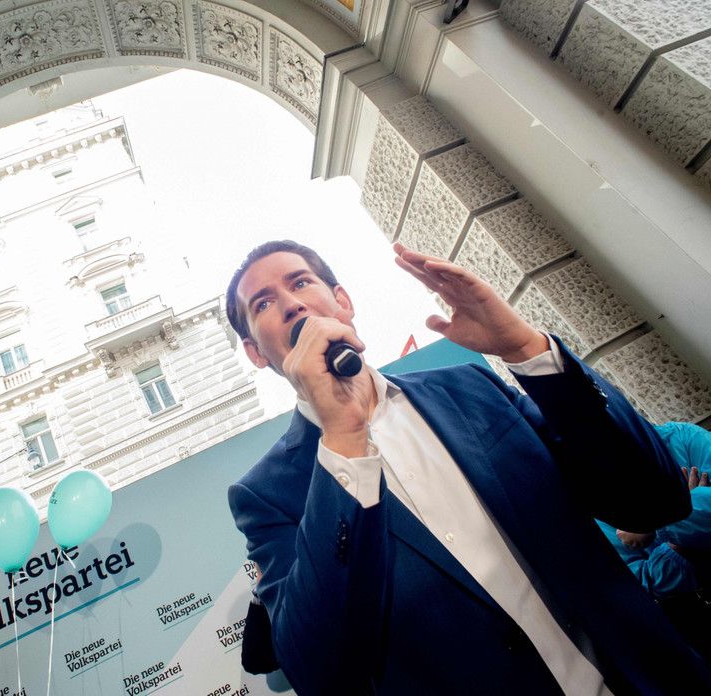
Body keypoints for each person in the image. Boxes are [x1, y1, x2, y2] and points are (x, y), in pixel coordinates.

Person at [225, 240, 711, 694]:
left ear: (342, 301)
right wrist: (344, 440)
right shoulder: (265, 495)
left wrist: (525, 347)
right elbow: (323, 673)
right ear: (255, 351)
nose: (291, 303)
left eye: (301, 282)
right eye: (263, 304)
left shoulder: (470, 388)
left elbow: (654, 499)